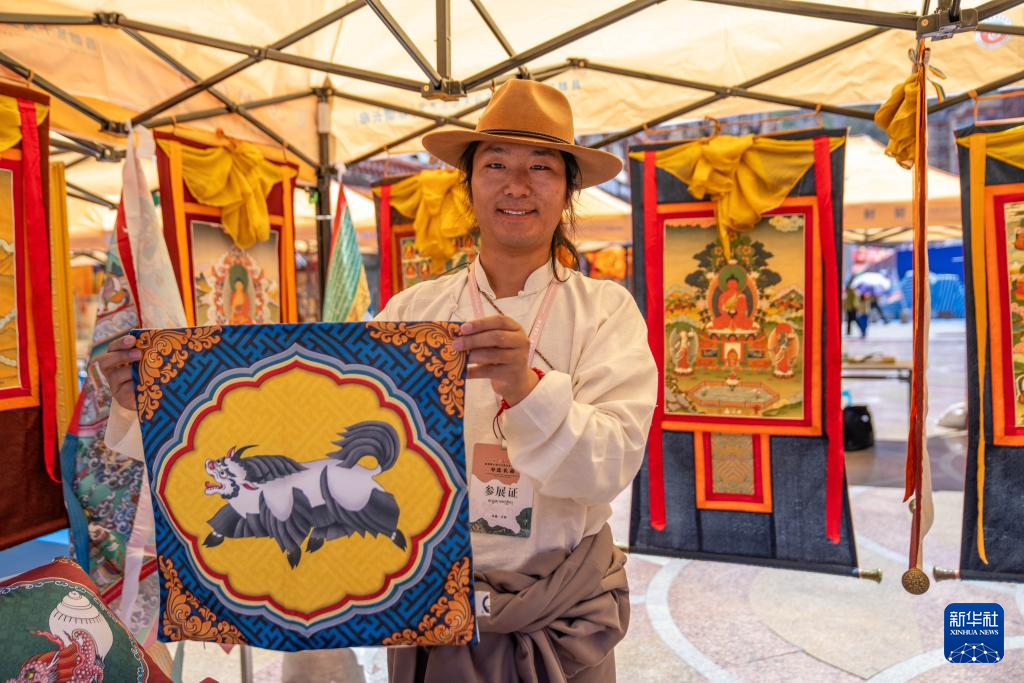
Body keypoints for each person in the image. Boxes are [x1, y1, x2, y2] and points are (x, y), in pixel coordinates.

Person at [97, 79, 658, 683]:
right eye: (495, 164)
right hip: (429, 609)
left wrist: (527, 388)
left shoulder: (606, 311)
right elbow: (310, 429)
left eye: (541, 167)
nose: (517, 185)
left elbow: (611, 462)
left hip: (563, 615)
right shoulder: (414, 312)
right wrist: (155, 405)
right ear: (469, 184)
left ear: (568, 189)